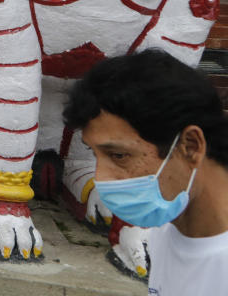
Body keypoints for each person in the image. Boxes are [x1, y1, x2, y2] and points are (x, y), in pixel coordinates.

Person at [63, 50, 228, 293]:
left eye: (119, 156)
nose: (101, 179)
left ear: (191, 146)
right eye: (94, 154)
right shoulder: (164, 233)